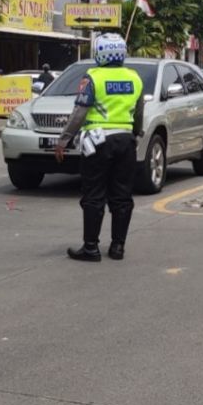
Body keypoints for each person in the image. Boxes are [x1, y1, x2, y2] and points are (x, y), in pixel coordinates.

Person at [54, 33, 145, 262]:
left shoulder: (92, 77)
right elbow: (139, 111)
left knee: (94, 194)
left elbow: (79, 113)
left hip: (97, 140)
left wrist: (64, 140)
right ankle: (118, 247)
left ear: (99, 53)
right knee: (122, 196)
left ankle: (91, 247)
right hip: (125, 141)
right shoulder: (134, 77)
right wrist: (134, 134)